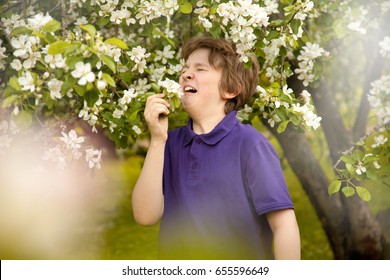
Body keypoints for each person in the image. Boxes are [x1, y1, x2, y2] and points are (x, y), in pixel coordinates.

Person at [132, 36, 300, 260]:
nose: (185, 74)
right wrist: (156, 140)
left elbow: (284, 227)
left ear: (231, 89)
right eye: (185, 69)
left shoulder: (250, 145)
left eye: (200, 69)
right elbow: (145, 216)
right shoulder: (167, 143)